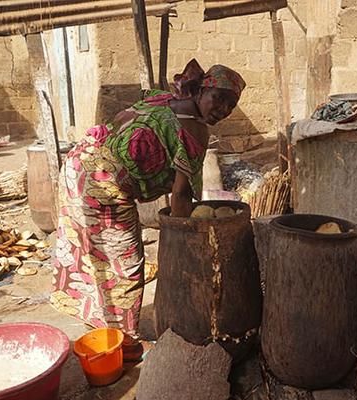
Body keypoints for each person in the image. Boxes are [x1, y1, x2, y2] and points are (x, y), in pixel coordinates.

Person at [50, 59, 245, 360]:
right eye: (218, 97)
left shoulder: (172, 99)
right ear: (202, 90)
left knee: (96, 255)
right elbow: (180, 195)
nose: (222, 108)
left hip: (80, 165)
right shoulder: (194, 129)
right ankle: (125, 345)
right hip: (102, 181)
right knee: (123, 262)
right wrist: (185, 243)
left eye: (230, 104)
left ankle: (104, 329)